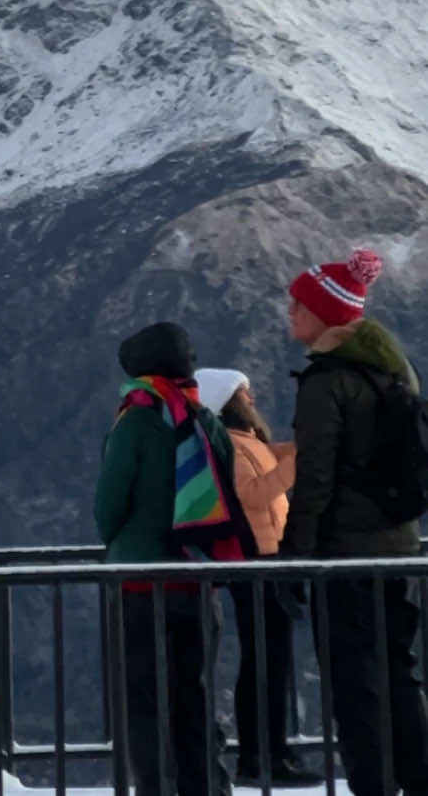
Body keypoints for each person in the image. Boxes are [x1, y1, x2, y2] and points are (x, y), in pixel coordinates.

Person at [280, 248, 428, 796]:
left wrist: (295, 556)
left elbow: (315, 477)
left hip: (345, 552)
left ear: (325, 314)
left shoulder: (327, 381)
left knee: (353, 678)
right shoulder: (395, 367)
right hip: (399, 545)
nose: (290, 312)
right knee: (397, 667)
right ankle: (418, 778)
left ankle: (374, 785)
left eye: (298, 305)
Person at [95, 322, 255, 796]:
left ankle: (155, 788)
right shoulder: (205, 420)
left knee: (144, 699)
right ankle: (204, 785)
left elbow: (109, 504)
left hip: (140, 579)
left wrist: (121, 543)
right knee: (196, 693)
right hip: (197, 577)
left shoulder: (137, 420)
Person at [195, 368, 317, 786]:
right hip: (256, 562)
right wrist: (300, 463)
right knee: (264, 658)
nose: (254, 397)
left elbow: (272, 457)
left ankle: (273, 749)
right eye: (246, 392)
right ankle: (261, 755)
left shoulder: (247, 442)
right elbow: (253, 493)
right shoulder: (230, 444)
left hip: (270, 559)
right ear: (231, 400)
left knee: (271, 659)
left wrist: (304, 448)